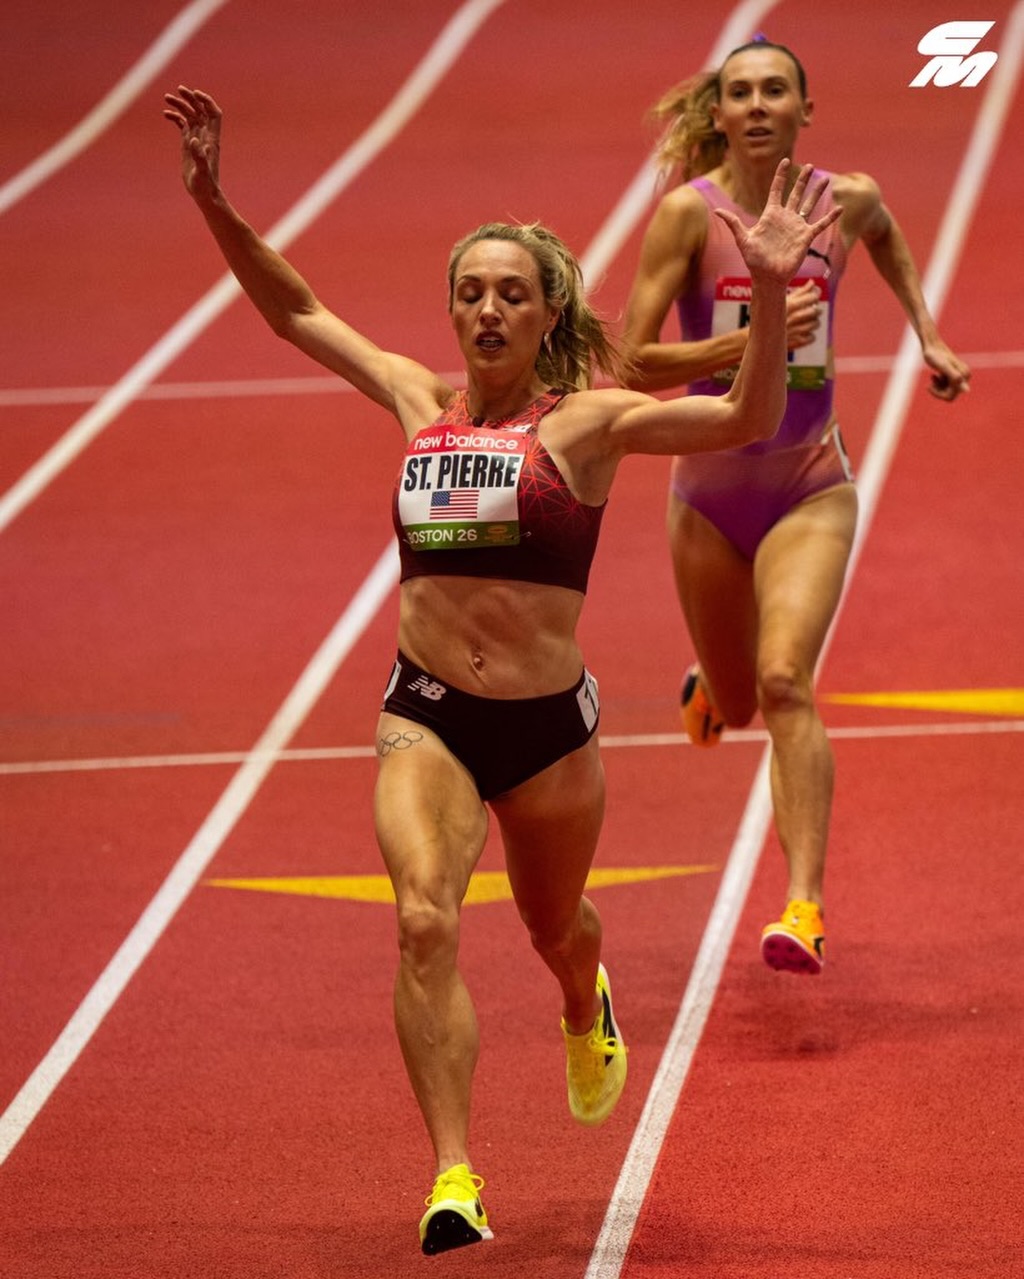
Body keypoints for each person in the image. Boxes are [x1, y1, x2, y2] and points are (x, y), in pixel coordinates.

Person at [164, 83, 838, 1254]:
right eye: (469, 293)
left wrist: (774, 285)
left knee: (553, 929)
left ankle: (586, 1003)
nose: (485, 311)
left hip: (547, 733)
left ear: (544, 317)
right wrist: (216, 203)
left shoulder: (588, 425)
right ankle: (455, 1175)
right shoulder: (416, 402)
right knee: (424, 919)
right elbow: (298, 312)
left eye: (509, 295)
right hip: (424, 712)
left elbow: (745, 413)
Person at [621, 39, 971, 978]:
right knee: (736, 703)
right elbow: (629, 361)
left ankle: (804, 906)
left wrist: (928, 335)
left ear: (805, 109)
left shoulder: (842, 200)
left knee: (784, 682)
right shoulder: (687, 221)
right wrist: (745, 348)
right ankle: (710, 683)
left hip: (809, 481)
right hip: (705, 494)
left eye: (777, 89)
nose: (760, 104)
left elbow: (889, 234)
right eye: (741, 93)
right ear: (722, 115)